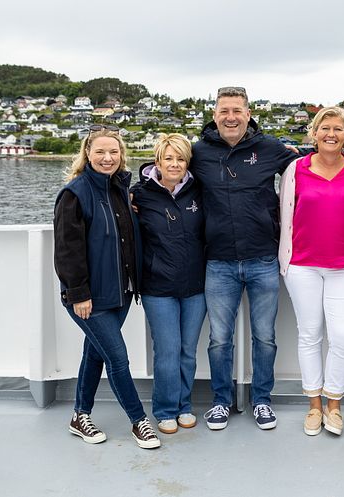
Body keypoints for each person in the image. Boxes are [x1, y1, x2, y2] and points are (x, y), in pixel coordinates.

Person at [191, 87, 344, 431]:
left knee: (267, 337)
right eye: (224, 110)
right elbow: (169, 169)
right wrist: (140, 192)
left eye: (237, 110)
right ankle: (220, 401)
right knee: (219, 338)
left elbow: (315, 153)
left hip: (263, 258)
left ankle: (262, 400)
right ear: (215, 114)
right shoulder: (199, 152)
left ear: (248, 114)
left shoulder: (270, 149)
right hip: (219, 260)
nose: (231, 117)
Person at [54, 125, 160, 449]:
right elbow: (67, 250)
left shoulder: (119, 192)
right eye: (100, 151)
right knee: (117, 358)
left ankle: (79, 415)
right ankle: (139, 421)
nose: (107, 157)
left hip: (121, 292)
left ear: (121, 155)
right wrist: (79, 294)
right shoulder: (74, 194)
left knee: (95, 353)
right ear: (87, 153)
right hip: (90, 297)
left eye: (113, 152)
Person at [278, 107, 344, 436]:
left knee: (343, 337)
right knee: (310, 334)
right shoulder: (295, 169)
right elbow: (285, 214)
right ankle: (314, 406)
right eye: (324, 129)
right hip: (302, 265)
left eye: (338, 129)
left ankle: (335, 404)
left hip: (342, 265)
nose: (331, 134)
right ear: (314, 134)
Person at [130, 133, 206, 435]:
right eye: (169, 158)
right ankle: (164, 409)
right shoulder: (140, 194)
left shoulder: (198, 190)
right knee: (168, 350)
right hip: (158, 287)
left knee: (188, 350)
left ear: (188, 162)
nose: (174, 164)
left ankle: (184, 405)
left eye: (180, 158)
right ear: (158, 160)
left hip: (195, 286)